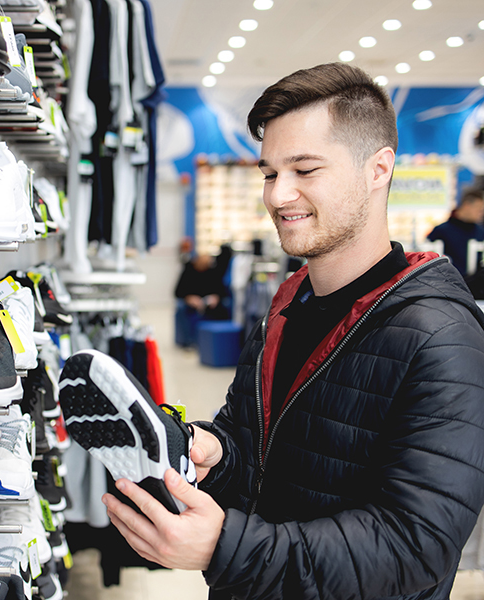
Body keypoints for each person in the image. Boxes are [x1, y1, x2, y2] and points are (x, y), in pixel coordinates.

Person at [101, 62, 484, 600]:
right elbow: (254, 445)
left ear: (378, 170)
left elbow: (414, 546)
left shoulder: (443, 337)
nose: (278, 196)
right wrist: (212, 449)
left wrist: (223, 548)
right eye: (269, 173)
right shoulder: (287, 305)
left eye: (305, 170)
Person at [427, 187, 484, 275]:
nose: (481, 213)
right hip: (446, 282)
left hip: (474, 285)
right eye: (479, 209)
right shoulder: (442, 231)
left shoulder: (480, 231)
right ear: (467, 205)